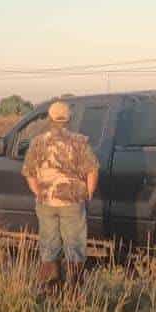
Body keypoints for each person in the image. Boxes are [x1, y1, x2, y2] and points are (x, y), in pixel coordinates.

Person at [23, 100, 99, 291]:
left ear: (49, 119)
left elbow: (29, 173)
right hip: (72, 201)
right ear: (69, 119)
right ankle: (75, 290)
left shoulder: (38, 142)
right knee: (74, 245)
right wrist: (89, 192)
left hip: (46, 201)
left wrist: (39, 192)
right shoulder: (80, 141)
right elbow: (93, 170)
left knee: (49, 244)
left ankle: (50, 288)